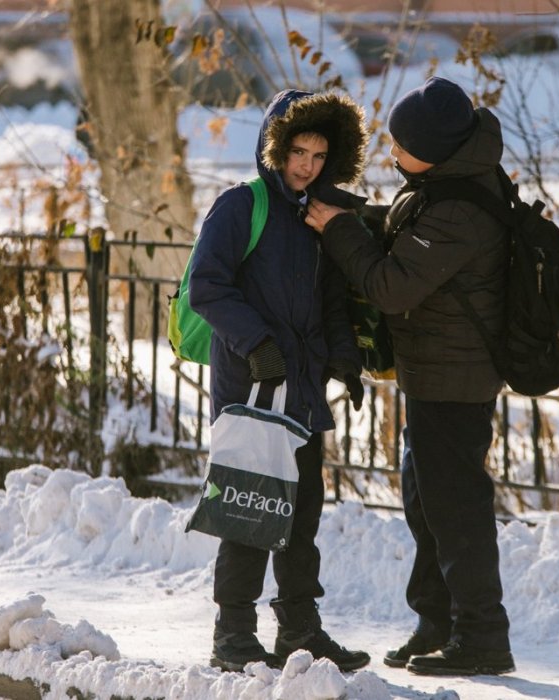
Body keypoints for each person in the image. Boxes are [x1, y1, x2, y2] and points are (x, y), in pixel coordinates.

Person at [303, 76, 516, 676]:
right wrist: (354, 214)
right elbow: (406, 241)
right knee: (426, 501)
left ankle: (482, 637)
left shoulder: (460, 208)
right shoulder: (445, 184)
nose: (391, 153)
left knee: (456, 508)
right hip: (435, 374)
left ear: (434, 146)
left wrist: (339, 230)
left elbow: (391, 285)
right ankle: (436, 620)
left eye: (400, 143)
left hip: (458, 378)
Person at [188, 88, 370, 673]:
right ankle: (233, 634)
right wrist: (257, 344)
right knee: (248, 508)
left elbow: (333, 297)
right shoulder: (241, 205)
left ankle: (300, 630)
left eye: (319, 156)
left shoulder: (323, 213)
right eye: (297, 151)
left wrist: (346, 359)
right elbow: (207, 286)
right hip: (251, 383)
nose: (306, 166)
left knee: (304, 511)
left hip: (305, 386)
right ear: (274, 147)